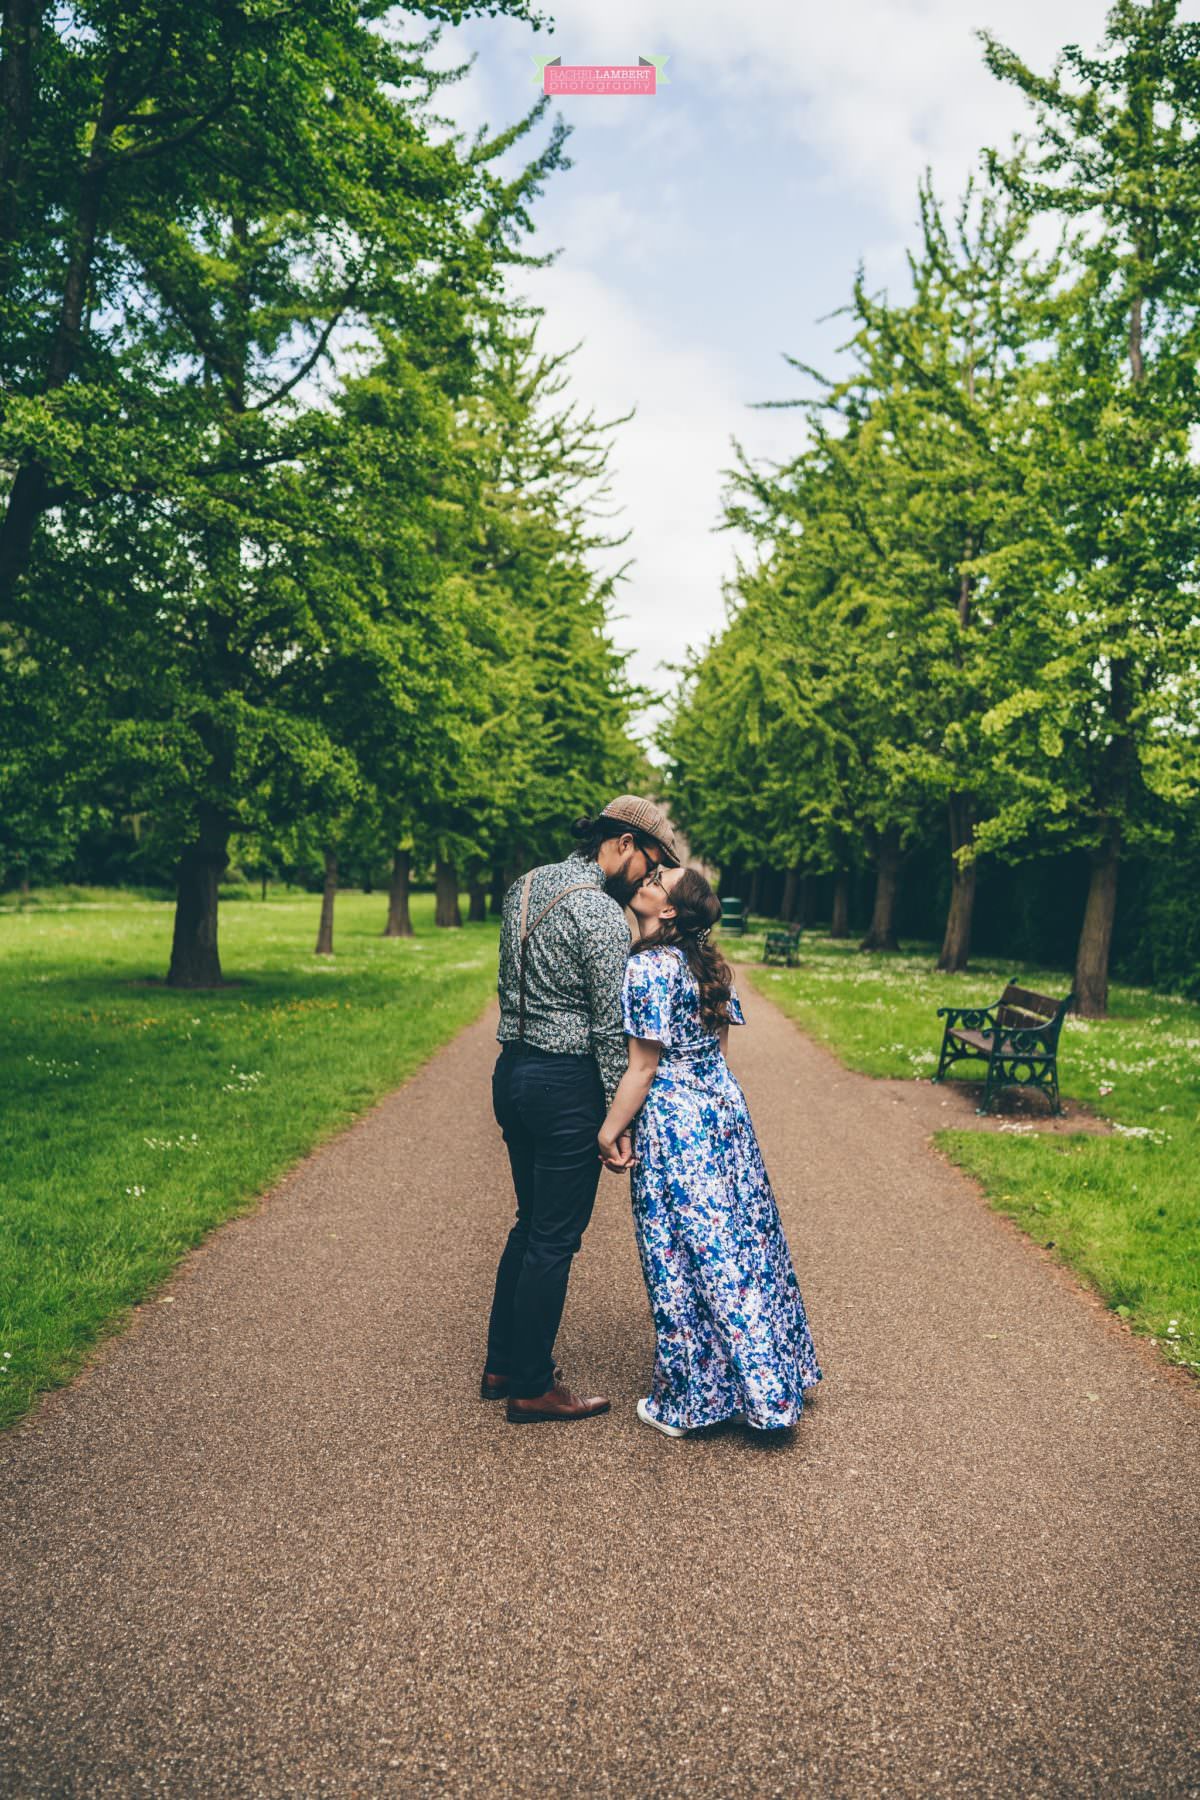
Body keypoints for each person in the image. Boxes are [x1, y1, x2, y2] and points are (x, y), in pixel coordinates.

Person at [598, 864, 822, 1436]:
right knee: (743, 1241)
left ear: (668, 911)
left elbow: (643, 1067)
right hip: (722, 1112)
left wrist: (609, 1130)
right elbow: (719, 1052)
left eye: (658, 881)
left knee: (679, 1253)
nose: (647, 880)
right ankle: (774, 1378)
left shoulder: (647, 966)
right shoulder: (711, 965)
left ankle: (694, 1401)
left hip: (677, 1122)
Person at [483, 795, 681, 1423]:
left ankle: (502, 1363)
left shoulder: (526, 885)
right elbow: (606, 1030)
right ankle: (533, 1384)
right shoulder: (598, 912)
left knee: (529, 1222)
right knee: (553, 1237)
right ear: (622, 842)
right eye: (649, 864)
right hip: (562, 1087)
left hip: (510, 1071)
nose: (649, 879)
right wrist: (613, 1123)